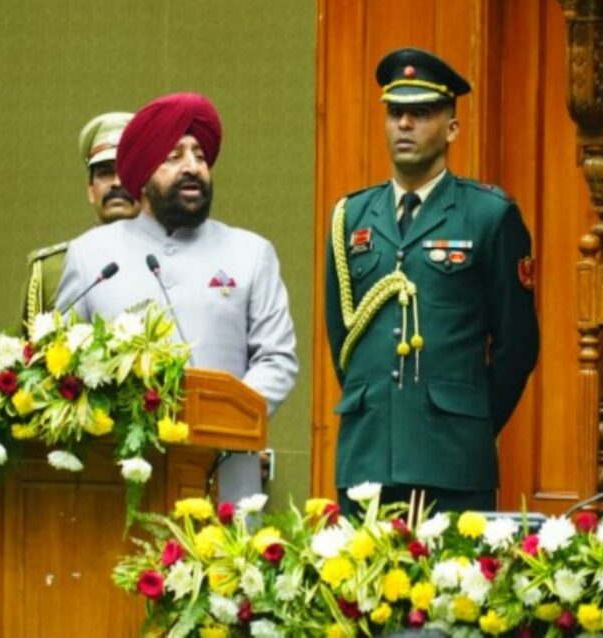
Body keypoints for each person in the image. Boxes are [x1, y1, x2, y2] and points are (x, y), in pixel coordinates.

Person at [325, 48, 539, 515]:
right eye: (395, 113)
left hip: (454, 460)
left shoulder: (489, 215)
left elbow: (517, 347)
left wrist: (469, 419)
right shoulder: (350, 217)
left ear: (452, 128)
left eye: (421, 113)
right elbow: (344, 340)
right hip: (366, 460)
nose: (404, 124)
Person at [56, 92, 298, 501]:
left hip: (223, 475)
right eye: (173, 156)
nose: (192, 167)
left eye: (200, 156)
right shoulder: (90, 255)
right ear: (142, 173)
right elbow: (62, 365)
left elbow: (277, 360)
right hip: (118, 483)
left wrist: (215, 417)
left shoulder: (251, 252)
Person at [22, 112, 140, 327]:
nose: (117, 182)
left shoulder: (165, 262)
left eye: (128, 171)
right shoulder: (52, 269)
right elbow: (30, 346)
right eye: (105, 173)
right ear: (90, 190)